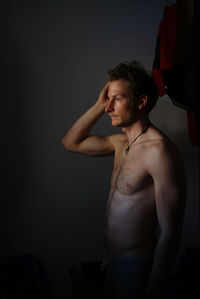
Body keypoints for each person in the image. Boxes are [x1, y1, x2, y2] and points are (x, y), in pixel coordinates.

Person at [61, 61, 186, 299]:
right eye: (108, 100)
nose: (109, 108)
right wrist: (99, 104)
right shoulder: (119, 144)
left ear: (141, 102)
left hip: (137, 268)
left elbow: (171, 232)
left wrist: (154, 289)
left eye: (117, 99)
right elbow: (70, 143)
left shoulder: (159, 151)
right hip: (112, 263)